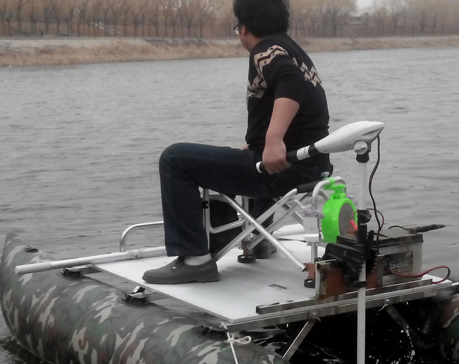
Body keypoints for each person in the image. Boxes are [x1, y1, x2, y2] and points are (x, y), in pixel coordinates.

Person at [142, 0, 332, 285]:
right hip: (313, 165)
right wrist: (263, 143)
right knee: (245, 156)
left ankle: (195, 260)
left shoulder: (264, 51)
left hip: (283, 169)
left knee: (174, 159)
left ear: (243, 28)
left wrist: (273, 140)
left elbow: (290, 82)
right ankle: (259, 239)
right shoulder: (293, 50)